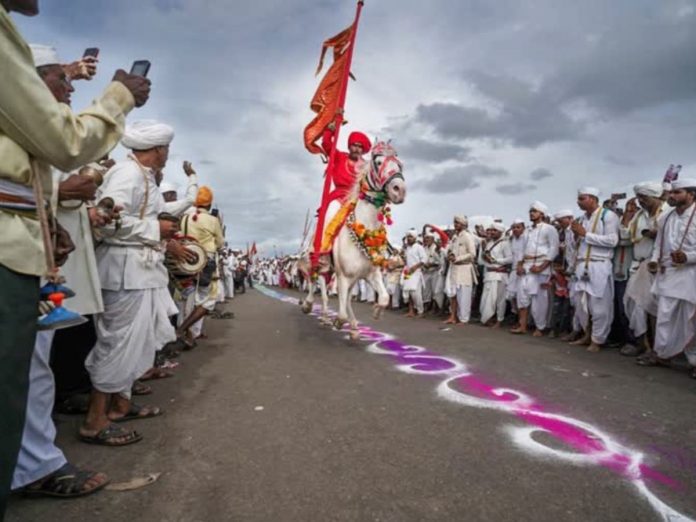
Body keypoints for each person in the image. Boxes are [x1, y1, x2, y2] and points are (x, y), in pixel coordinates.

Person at [0, 2, 149, 512]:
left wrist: (47, 223)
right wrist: (119, 97)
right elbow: (63, 142)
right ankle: (41, 458)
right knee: (22, 375)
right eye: (59, 84)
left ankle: (34, 463)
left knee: (30, 372)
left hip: (28, 245)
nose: (68, 91)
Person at [81, 120, 179, 446]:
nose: (167, 153)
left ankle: (120, 405)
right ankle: (96, 420)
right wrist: (155, 231)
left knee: (137, 342)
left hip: (142, 271)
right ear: (157, 149)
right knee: (117, 343)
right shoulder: (126, 174)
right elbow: (106, 221)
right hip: (123, 272)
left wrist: (169, 238)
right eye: (166, 148)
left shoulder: (145, 176)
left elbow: (158, 219)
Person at [641, 178, 696, 376]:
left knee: (691, 320)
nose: (671, 196)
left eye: (677, 192)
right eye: (671, 193)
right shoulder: (666, 217)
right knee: (664, 315)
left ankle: (694, 360)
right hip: (669, 273)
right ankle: (662, 354)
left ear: (691, 194)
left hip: (691, 274)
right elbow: (658, 245)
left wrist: (688, 257)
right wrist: (655, 260)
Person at [568, 187, 620, 352]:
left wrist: (585, 234)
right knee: (581, 304)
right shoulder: (581, 219)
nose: (578, 202)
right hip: (582, 265)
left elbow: (613, 241)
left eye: (582, 198)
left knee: (600, 305)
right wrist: (577, 237)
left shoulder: (608, 216)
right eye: (578, 198)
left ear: (593, 199)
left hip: (599, 264)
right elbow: (576, 245)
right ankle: (586, 334)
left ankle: (598, 340)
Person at [622, 182, 666, 356]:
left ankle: (656, 349)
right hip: (640, 265)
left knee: (653, 308)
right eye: (639, 197)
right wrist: (627, 214)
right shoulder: (639, 215)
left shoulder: (667, 213)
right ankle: (643, 344)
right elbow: (625, 237)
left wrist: (658, 234)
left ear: (655, 197)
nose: (640, 201)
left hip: (659, 266)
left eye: (644, 197)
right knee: (634, 304)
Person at [176, 186, 225, 342]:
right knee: (208, 300)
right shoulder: (212, 220)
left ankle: (189, 333)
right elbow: (220, 243)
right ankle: (182, 330)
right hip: (206, 263)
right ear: (209, 204)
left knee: (188, 298)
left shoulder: (184, 218)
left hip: (186, 261)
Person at [511, 202, 559, 336]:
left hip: (541, 266)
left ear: (542, 214)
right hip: (526, 266)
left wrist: (542, 267)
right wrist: (519, 265)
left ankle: (540, 327)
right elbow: (521, 249)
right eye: (530, 211)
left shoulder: (549, 229)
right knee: (522, 297)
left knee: (539, 300)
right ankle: (523, 325)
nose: (531, 213)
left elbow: (553, 249)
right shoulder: (527, 231)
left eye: (534, 211)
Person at [444, 216, 477, 325]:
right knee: (453, 294)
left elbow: (472, 254)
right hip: (453, 269)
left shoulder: (467, 236)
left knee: (464, 295)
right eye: (455, 222)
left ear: (463, 224)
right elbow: (449, 250)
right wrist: (449, 255)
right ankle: (452, 316)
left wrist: (458, 258)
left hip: (464, 269)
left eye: (458, 223)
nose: (455, 224)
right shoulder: (454, 237)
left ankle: (463, 319)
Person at [479, 223, 512, 328]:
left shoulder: (505, 243)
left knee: (500, 300)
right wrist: (487, 260)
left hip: (500, 275)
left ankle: (499, 320)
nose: (492, 232)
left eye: (495, 230)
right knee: (486, 299)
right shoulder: (489, 243)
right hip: (489, 274)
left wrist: (496, 261)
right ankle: (488, 318)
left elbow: (510, 258)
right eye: (491, 230)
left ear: (500, 232)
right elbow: (482, 260)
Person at [401, 229, 427, 317]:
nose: (408, 238)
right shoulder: (407, 248)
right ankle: (411, 311)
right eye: (408, 237)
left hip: (416, 273)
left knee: (416, 293)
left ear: (415, 238)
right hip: (408, 273)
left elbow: (424, 260)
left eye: (411, 237)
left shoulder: (419, 247)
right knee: (408, 292)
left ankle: (420, 311)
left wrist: (414, 268)